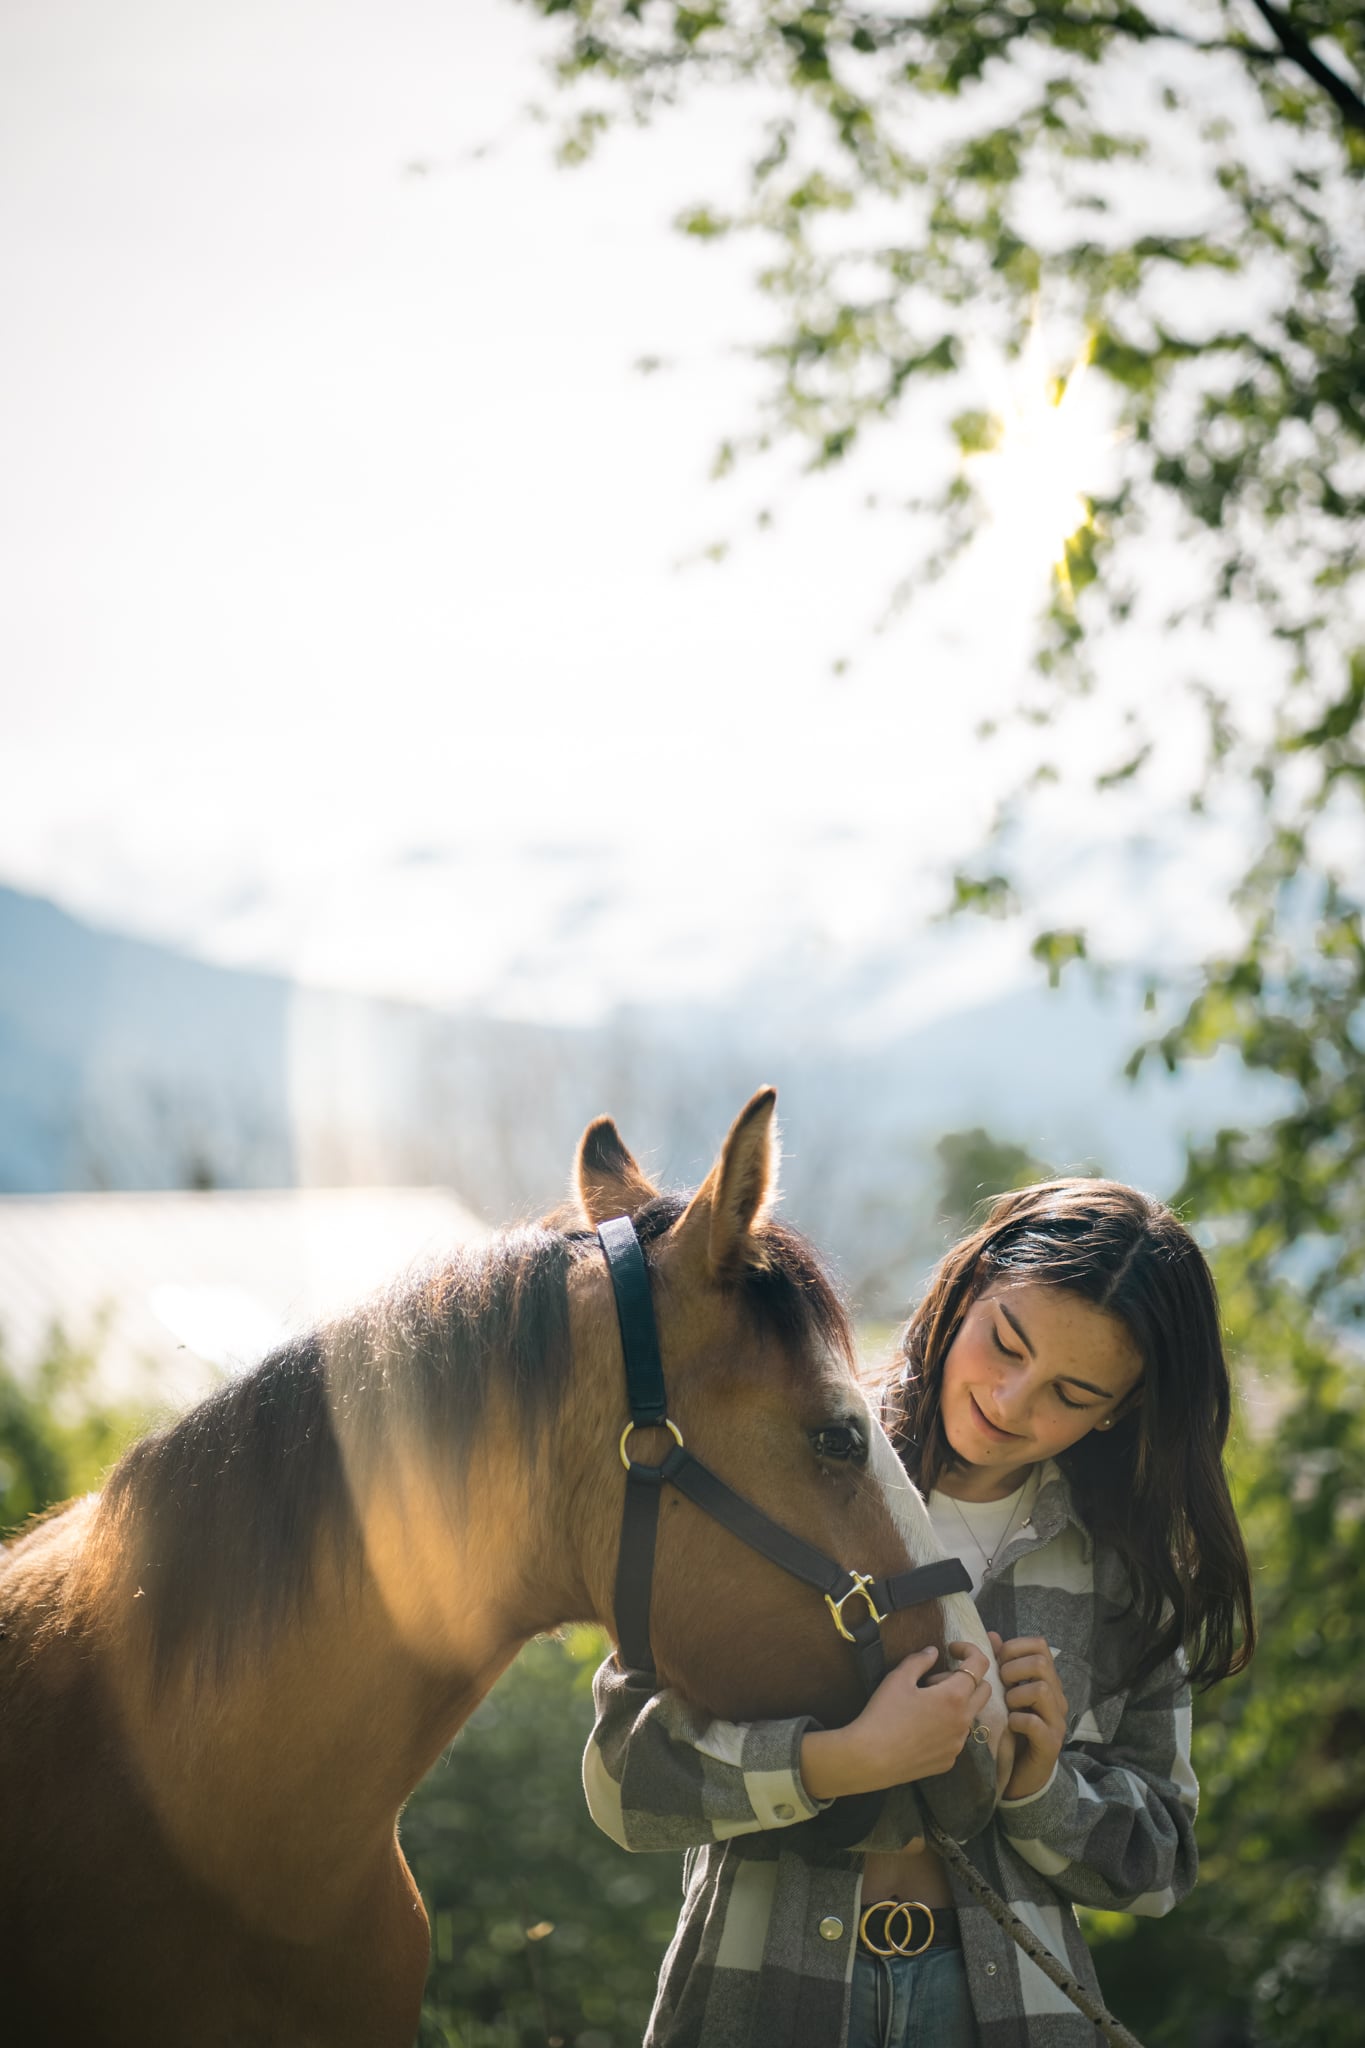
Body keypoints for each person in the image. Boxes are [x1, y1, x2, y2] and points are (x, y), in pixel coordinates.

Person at [582, 1179, 1256, 2047]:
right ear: (965, 1291)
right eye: (1004, 1344)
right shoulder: (784, 1477)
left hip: (1012, 2014)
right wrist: (836, 1760)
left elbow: (1160, 1865)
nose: (1011, 1403)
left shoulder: (1120, 1570)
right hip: (758, 2001)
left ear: (1118, 1411)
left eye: (1071, 1394)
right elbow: (622, 1779)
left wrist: (1039, 1785)